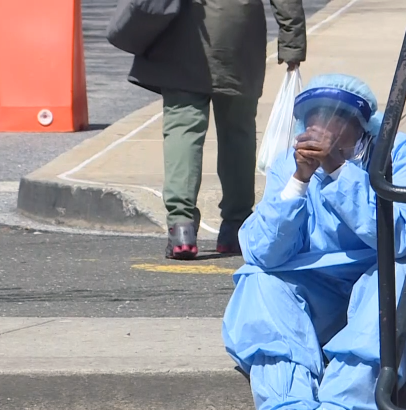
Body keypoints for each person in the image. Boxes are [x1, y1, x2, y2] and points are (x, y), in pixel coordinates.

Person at [222, 74, 406, 410]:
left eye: (334, 117)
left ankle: (345, 407)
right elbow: (264, 252)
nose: (320, 127)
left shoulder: (400, 154)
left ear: (360, 125)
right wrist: (299, 181)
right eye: (312, 117)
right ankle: (287, 404)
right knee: (259, 280)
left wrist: (339, 172)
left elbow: (404, 238)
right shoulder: (286, 166)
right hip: (328, 288)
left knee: (392, 275)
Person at [126, 0, 307, 260]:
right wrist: (292, 42)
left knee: (183, 126)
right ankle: (236, 227)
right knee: (239, 131)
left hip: (186, 31)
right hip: (239, 32)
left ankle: (182, 227)